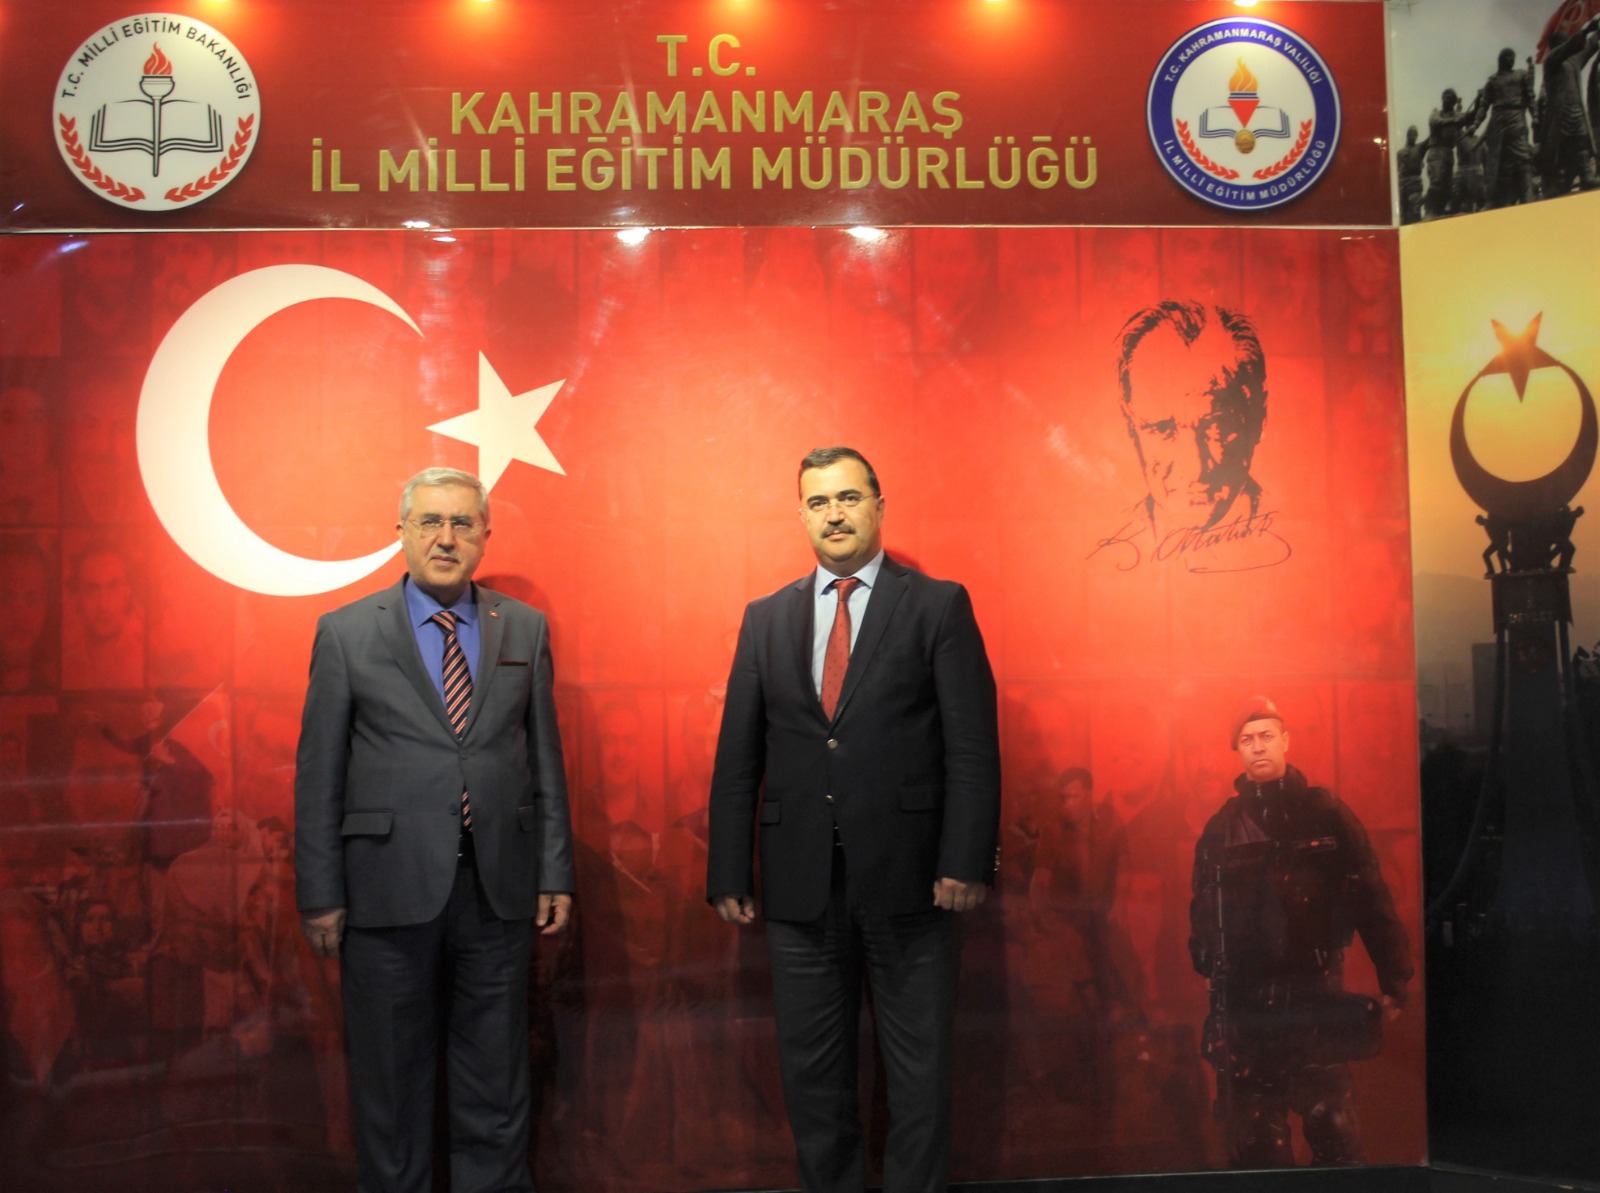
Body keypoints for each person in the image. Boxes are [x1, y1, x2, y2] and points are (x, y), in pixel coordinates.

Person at [706, 446, 1001, 1193]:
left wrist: (965, 860)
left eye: (847, 498)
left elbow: (971, 747)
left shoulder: (937, 605)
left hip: (915, 884)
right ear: (802, 515)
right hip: (799, 887)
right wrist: (728, 870)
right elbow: (738, 756)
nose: (833, 514)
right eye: (818, 501)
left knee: (920, 1077)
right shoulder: (766, 618)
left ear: (878, 506)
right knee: (813, 1082)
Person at [295, 466, 574, 1193]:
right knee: (390, 1088)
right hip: (384, 893)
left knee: (497, 1085)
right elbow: (319, 775)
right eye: (430, 521)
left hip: (498, 890)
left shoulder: (524, 627)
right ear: (402, 532)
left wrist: (555, 871)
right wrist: (320, 892)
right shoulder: (346, 632)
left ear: (485, 536)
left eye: (462, 523)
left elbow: (544, 760)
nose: (446, 538)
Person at [1187, 697, 1411, 1167]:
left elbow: (1369, 895)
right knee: (1259, 1146)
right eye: (1247, 740)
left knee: (1333, 1128)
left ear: (1286, 741)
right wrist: (1212, 974)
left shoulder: (1325, 814)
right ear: (1237, 751)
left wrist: (1394, 973)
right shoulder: (1222, 830)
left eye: (1267, 736)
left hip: (1314, 996)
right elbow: (1203, 919)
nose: (1258, 747)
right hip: (1249, 1010)